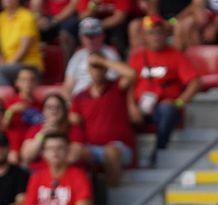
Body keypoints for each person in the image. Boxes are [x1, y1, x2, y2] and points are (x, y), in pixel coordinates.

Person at [128, 16, 201, 164]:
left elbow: (195, 82)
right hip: (140, 107)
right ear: (144, 36)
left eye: (159, 32)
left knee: (167, 109)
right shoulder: (136, 57)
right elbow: (128, 85)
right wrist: (131, 106)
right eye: (151, 33)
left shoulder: (176, 56)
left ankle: (159, 151)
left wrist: (179, 102)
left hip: (163, 109)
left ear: (165, 35)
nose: (156, 37)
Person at [71, 52, 137, 187]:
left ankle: (113, 197)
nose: (96, 70)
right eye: (93, 66)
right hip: (92, 148)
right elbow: (73, 120)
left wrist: (103, 60)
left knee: (110, 151)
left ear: (106, 69)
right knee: (73, 153)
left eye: (99, 66)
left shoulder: (116, 87)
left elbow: (131, 74)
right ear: (88, 69)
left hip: (120, 147)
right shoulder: (80, 96)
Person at [21, 93, 88, 167]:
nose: (53, 110)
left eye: (58, 107)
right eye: (49, 107)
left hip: (65, 171)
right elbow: (26, 156)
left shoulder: (74, 129)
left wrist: (44, 152)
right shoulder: (35, 129)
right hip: (39, 172)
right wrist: (42, 134)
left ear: (64, 111)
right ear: (43, 110)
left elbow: (72, 157)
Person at [0, 0, 44, 86]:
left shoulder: (27, 17)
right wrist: (1, 60)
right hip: (8, 65)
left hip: (29, 65)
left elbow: (23, 49)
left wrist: (8, 64)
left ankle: (10, 98)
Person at [64, 18, 122, 98]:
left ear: (102, 36)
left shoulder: (111, 54)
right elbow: (68, 86)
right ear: (81, 38)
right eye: (87, 36)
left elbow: (113, 82)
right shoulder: (77, 56)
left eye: (94, 35)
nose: (90, 40)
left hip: (101, 97)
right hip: (78, 99)